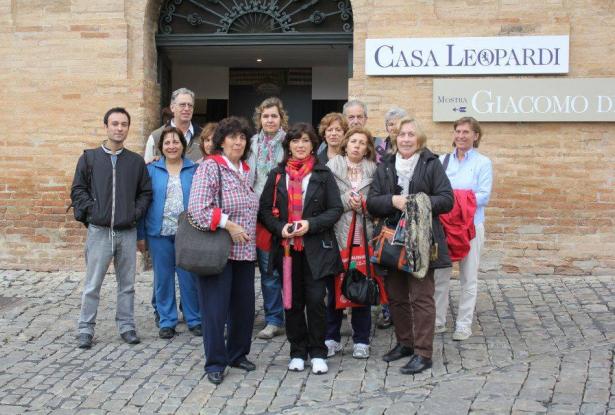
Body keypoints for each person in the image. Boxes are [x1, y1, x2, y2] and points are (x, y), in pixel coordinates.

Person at [367, 117, 453, 375]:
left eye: (411, 134)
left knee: (421, 296)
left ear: (419, 139)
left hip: (422, 240)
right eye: (402, 134)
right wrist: (393, 200)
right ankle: (405, 343)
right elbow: (372, 202)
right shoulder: (386, 166)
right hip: (391, 238)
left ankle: (423, 353)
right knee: (396, 295)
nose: (405, 139)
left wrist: (417, 202)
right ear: (395, 138)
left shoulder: (431, 163)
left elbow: (447, 199)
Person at [258, 123, 343, 375]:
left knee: (316, 300)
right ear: (289, 146)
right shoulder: (276, 175)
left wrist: (310, 224)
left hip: (315, 247)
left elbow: (335, 209)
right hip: (286, 250)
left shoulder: (322, 173)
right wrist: (279, 227)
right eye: (295, 141)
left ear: (313, 145)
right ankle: (297, 351)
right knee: (292, 303)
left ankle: (318, 351)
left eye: (305, 140)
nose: (300, 145)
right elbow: (264, 210)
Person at [70, 107, 152, 349]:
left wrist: (134, 213)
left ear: (128, 128)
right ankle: (85, 329)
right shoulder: (89, 158)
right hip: (99, 231)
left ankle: (126, 326)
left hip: (127, 232)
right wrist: (93, 212)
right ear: (106, 126)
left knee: (127, 284)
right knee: (92, 284)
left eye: (124, 124)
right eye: (115, 123)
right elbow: (78, 190)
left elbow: (145, 193)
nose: (119, 128)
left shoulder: (135, 162)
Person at [187, 117, 258, 385]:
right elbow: (198, 206)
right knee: (215, 309)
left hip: (245, 250)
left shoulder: (247, 169)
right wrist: (229, 224)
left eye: (242, 137)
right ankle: (215, 362)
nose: (238, 141)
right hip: (218, 250)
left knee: (244, 307)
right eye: (232, 137)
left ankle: (238, 353)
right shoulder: (210, 167)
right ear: (222, 141)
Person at [137, 126, 201, 339]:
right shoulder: (151, 169)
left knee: (189, 278)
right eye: (167, 143)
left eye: (176, 142)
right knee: (163, 278)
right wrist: (141, 235)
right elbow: (143, 202)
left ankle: (194, 319)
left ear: (183, 145)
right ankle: (167, 320)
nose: (172, 146)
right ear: (160, 147)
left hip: (188, 234)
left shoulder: (194, 169)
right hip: (159, 232)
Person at [434, 117, 493, 341]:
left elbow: (484, 196)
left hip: (471, 227)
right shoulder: (443, 161)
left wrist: (454, 198)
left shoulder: (482, 163)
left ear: (476, 136)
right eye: (457, 131)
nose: (460, 136)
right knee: (441, 276)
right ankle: (438, 321)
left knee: (468, 277)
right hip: (445, 227)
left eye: (466, 132)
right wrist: (458, 197)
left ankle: (463, 325)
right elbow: (437, 191)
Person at [325, 127, 377, 359]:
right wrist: (347, 201)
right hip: (338, 235)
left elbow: (379, 201)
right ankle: (331, 338)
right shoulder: (331, 168)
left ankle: (362, 339)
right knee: (334, 288)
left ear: (367, 148)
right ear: (346, 144)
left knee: (360, 285)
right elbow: (325, 201)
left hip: (363, 237)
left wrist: (365, 204)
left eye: (362, 142)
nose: (357, 145)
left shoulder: (374, 170)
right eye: (353, 141)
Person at [246, 97, 289, 340]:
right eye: (265, 116)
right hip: (259, 215)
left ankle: (293, 314)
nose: (270, 120)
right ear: (259, 119)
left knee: (289, 267)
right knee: (267, 269)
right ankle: (274, 319)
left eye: (274, 116)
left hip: (285, 214)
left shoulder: (290, 142)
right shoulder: (251, 144)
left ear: (281, 118)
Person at [144, 88, 203, 163]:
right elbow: (147, 169)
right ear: (172, 107)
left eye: (190, 105)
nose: (187, 108)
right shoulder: (156, 137)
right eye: (182, 105)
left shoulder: (204, 136)